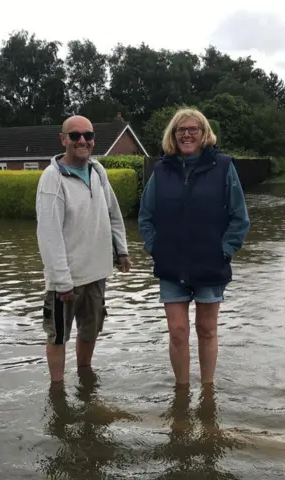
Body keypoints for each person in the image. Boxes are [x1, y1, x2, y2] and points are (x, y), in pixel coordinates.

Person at [138, 108, 250, 386]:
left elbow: (239, 217)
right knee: (177, 331)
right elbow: (146, 216)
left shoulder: (224, 167)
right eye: (180, 130)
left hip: (211, 262)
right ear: (173, 136)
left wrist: (225, 250)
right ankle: (182, 391)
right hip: (171, 264)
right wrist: (156, 248)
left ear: (204, 134)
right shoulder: (161, 170)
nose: (187, 134)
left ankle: (208, 392)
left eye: (193, 129)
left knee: (207, 329)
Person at [36, 115, 131, 383]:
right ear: (63, 139)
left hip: (97, 273)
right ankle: (58, 392)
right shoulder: (52, 179)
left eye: (88, 136)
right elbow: (49, 234)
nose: (82, 141)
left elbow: (113, 212)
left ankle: (84, 383)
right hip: (66, 282)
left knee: (90, 333)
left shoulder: (98, 170)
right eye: (75, 135)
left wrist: (121, 250)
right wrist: (62, 281)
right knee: (58, 336)